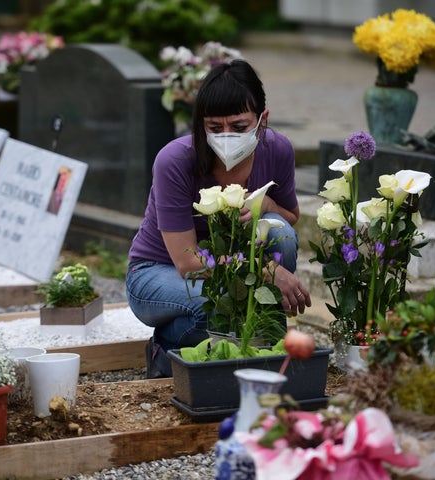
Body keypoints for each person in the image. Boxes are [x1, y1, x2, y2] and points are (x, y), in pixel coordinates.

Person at [126, 59, 312, 378]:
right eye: (214, 128)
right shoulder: (174, 161)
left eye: (239, 127)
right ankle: (166, 350)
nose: (227, 136)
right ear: (201, 124)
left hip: (227, 267)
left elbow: (291, 217)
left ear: (262, 120)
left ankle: (257, 348)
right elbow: (187, 263)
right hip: (158, 272)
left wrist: (268, 205)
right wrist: (266, 271)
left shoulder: (277, 149)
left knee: (280, 233)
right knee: (216, 302)